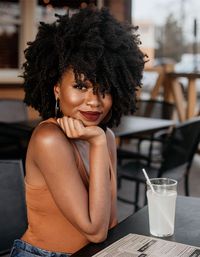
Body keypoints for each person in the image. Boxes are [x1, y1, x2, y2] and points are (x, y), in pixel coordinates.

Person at [10, 7, 145, 257]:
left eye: (104, 88)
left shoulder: (105, 136)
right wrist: (97, 143)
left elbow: (109, 220)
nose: (94, 101)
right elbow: (95, 231)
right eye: (80, 86)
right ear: (57, 90)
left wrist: (99, 140)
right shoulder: (49, 139)